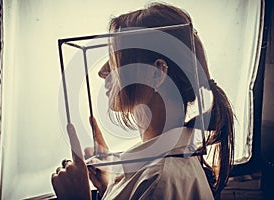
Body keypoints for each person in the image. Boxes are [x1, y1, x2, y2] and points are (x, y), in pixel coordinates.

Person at [51, 3, 234, 200]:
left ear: (156, 74)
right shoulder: (164, 168)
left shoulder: (159, 181)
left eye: (115, 59)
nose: (102, 71)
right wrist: (111, 186)